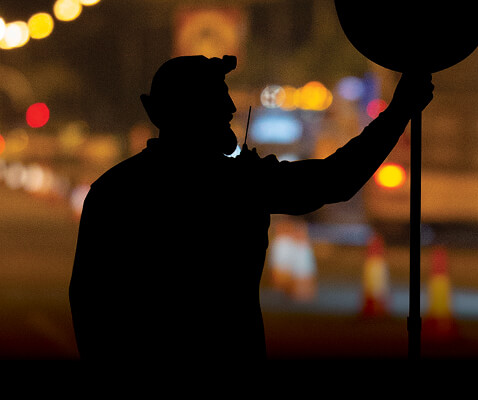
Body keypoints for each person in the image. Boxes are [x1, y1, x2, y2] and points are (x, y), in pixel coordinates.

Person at [69, 55, 433, 360]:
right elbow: (335, 179)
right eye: (215, 98)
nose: (230, 108)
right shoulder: (237, 182)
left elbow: (88, 303)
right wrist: (399, 110)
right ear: (180, 112)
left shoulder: (113, 191)